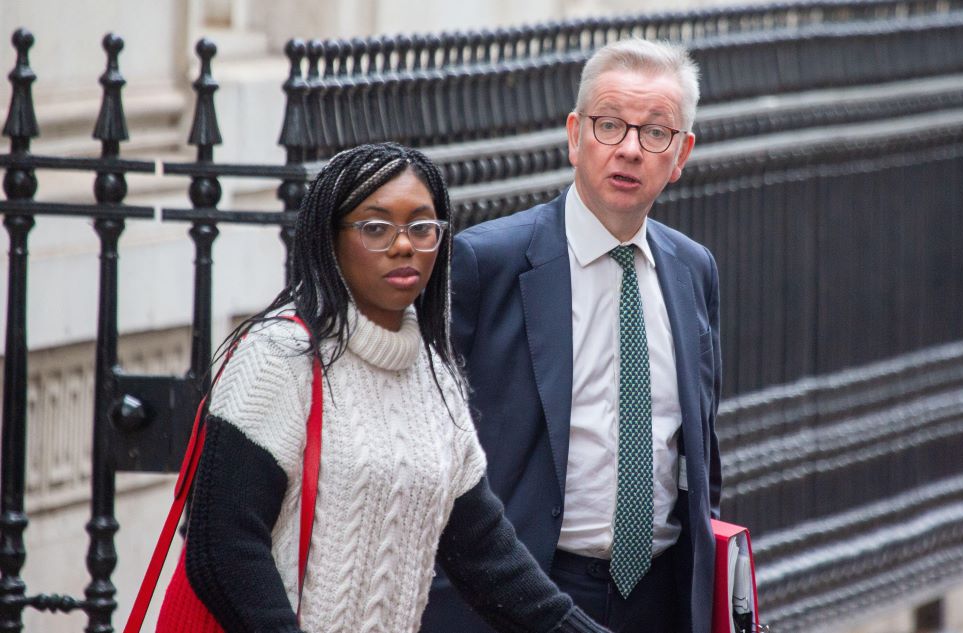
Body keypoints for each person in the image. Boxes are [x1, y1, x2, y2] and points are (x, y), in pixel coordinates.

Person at [157, 143, 610, 633]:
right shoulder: (278, 356)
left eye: (422, 227)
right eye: (375, 227)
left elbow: (486, 556)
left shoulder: (434, 376)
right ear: (329, 240)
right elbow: (222, 549)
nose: (403, 245)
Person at [422, 38, 722, 633]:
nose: (630, 150)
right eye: (609, 125)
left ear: (681, 152)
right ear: (574, 135)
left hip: (662, 596)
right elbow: (433, 451)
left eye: (655, 133)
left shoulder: (693, 269)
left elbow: (699, 449)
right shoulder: (487, 262)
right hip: (529, 589)